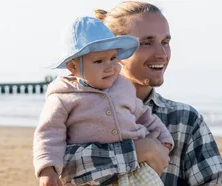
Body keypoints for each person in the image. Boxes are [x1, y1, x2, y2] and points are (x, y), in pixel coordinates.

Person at [62, 1, 222, 186]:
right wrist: (138, 150)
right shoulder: (74, 108)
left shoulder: (185, 120)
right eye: (146, 43)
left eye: (165, 42)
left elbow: (216, 181)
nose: (162, 54)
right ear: (115, 51)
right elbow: (60, 167)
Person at [33, 16, 175, 186]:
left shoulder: (123, 87)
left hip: (137, 169)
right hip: (94, 175)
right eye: (99, 61)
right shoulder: (63, 96)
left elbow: (144, 115)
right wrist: (47, 169)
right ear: (73, 67)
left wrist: (164, 139)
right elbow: (49, 134)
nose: (110, 67)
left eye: (113, 58)